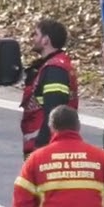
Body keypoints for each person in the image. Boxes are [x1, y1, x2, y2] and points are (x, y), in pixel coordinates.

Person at [19, 18, 79, 158]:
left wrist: (42, 145)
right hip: (44, 146)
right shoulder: (50, 66)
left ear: (46, 40)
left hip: (46, 148)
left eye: (36, 34)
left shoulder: (55, 70)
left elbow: (55, 111)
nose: (33, 38)